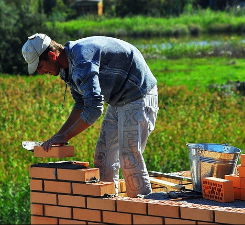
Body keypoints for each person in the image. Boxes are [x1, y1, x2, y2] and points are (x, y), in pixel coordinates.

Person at [22, 33, 159, 197]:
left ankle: (142, 209)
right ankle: (108, 205)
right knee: (103, 156)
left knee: (128, 157)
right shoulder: (67, 69)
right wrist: (59, 135)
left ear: (52, 55)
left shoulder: (82, 59)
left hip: (138, 93)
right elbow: (81, 104)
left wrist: (65, 137)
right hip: (118, 98)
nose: (41, 72)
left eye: (40, 66)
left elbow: (94, 109)